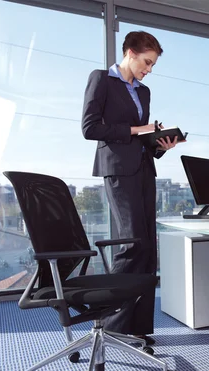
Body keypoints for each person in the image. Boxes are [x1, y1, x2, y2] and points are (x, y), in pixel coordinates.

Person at [82, 31, 180, 343]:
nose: (149, 69)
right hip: (117, 170)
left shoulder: (145, 92)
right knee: (131, 243)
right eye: (146, 62)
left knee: (148, 246)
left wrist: (161, 144)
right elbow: (90, 128)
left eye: (152, 65)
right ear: (130, 52)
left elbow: (142, 139)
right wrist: (140, 128)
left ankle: (137, 326)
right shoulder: (101, 79)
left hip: (143, 169)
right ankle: (112, 325)